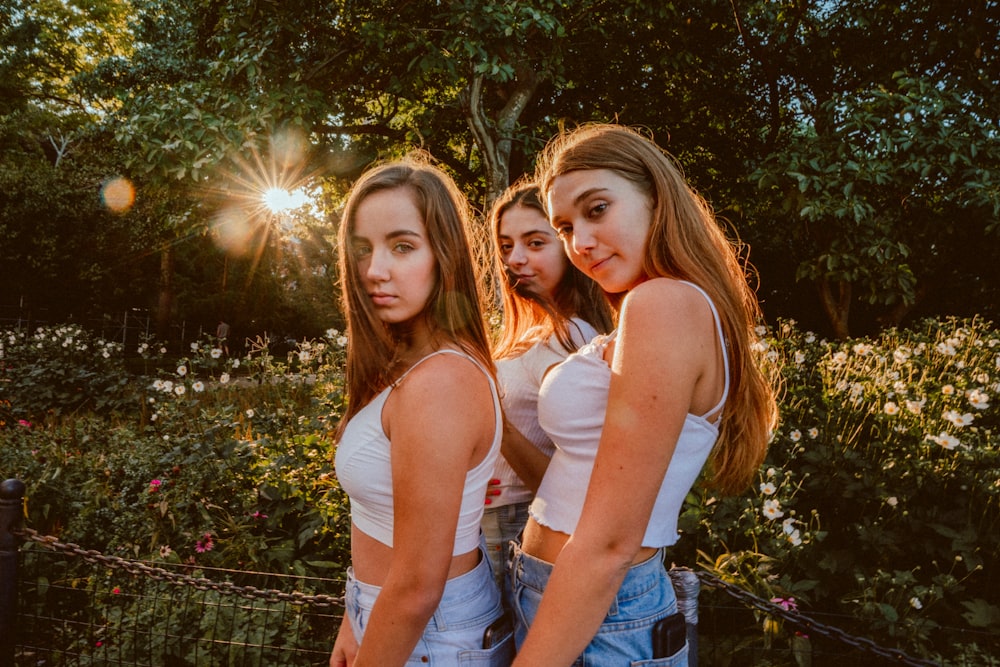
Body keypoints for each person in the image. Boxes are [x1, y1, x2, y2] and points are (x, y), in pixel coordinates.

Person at [507, 124, 779, 666]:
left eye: (598, 209)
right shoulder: (661, 307)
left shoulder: (664, 305)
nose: (580, 242)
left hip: (599, 616)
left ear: (657, 197)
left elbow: (609, 543)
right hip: (571, 602)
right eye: (564, 227)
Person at [330, 156, 513, 666]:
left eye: (402, 246)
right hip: (393, 619)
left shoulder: (440, 382)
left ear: (445, 255)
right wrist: (354, 615)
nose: (374, 271)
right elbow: (386, 521)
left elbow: (416, 586)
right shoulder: (407, 365)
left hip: (429, 636)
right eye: (362, 249)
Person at [482, 181, 613, 584]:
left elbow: (572, 484)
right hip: (489, 518)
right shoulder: (533, 332)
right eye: (505, 246)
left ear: (569, 247)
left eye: (535, 243)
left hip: (516, 525)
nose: (515, 259)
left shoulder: (574, 338)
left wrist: (491, 421)